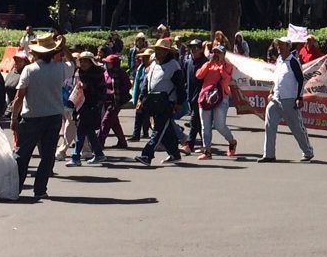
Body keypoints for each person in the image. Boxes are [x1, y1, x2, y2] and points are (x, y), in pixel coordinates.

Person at [11, 35, 70, 198]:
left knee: (22, 154)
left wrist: (14, 118)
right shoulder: (61, 68)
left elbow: (19, 97)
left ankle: (16, 187)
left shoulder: (29, 70)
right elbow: (73, 63)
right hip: (53, 117)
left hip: (31, 117)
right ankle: (40, 189)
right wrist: (63, 46)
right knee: (47, 155)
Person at [260, 36, 315, 163]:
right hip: (276, 98)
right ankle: (269, 154)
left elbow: (301, 80)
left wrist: (299, 97)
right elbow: (277, 79)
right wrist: (271, 91)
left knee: (296, 127)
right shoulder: (279, 60)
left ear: (288, 47)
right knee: (269, 124)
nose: (279, 47)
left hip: (290, 99)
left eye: (282, 45)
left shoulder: (293, 62)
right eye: (278, 44)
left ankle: (308, 151)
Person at [136, 38, 186, 166]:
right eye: (156, 49)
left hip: (167, 102)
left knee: (158, 129)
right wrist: (141, 99)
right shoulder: (153, 64)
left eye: (160, 50)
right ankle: (174, 154)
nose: (157, 52)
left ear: (166, 52)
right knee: (166, 129)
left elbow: (180, 86)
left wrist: (180, 102)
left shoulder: (174, 66)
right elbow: (146, 83)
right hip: (153, 101)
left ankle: (147, 155)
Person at [194, 45, 237, 158]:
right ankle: (207, 151)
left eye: (219, 53)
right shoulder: (208, 64)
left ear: (224, 55)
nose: (216, 54)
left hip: (221, 97)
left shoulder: (227, 65)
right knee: (205, 126)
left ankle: (231, 141)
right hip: (205, 97)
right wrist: (209, 63)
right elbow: (199, 75)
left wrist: (220, 66)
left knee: (219, 125)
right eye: (215, 52)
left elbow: (226, 78)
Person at [66, 52, 108, 167]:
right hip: (81, 105)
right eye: (82, 61)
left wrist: (87, 87)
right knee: (89, 132)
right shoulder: (80, 73)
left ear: (91, 62)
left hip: (91, 106)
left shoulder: (97, 74)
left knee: (80, 131)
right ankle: (99, 154)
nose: (83, 63)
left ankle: (75, 157)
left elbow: (101, 92)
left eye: (86, 61)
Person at [98, 53, 131, 150]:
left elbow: (127, 85)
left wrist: (118, 93)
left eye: (108, 63)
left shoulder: (121, 73)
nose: (106, 64)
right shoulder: (105, 72)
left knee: (106, 121)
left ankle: (99, 143)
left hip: (115, 102)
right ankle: (122, 142)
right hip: (105, 100)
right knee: (114, 123)